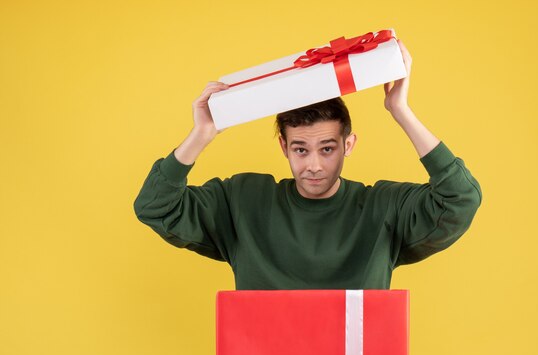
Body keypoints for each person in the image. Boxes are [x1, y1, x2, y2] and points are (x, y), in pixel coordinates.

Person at [133, 40, 482, 289]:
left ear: (349, 145)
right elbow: (154, 206)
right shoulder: (242, 200)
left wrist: (400, 110)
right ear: (283, 146)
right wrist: (202, 134)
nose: (313, 165)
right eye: (301, 150)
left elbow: (460, 200)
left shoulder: (383, 207)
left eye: (327, 149)